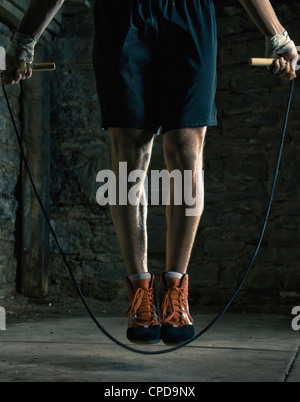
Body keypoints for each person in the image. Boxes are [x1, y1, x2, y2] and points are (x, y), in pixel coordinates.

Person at [2, 0, 298, 345]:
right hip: (123, 14)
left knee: (187, 150)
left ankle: (176, 290)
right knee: (130, 153)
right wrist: (24, 40)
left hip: (190, 14)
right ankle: (141, 292)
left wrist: (279, 38)